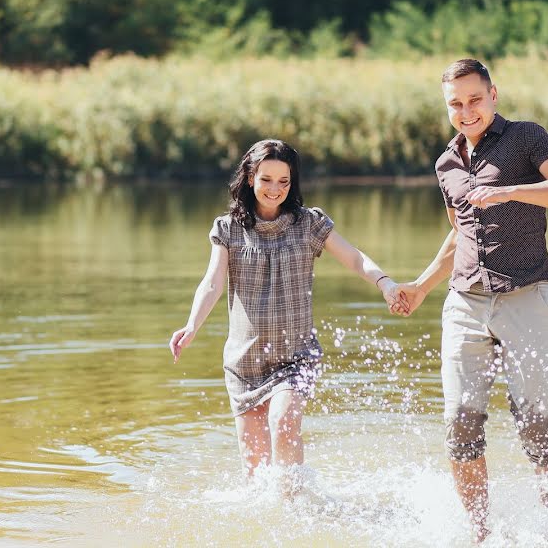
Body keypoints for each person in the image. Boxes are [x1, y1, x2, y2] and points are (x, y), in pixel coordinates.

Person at [396, 59, 548, 541]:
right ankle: (480, 535)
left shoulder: (527, 137)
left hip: (527, 294)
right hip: (464, 303)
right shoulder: (447, 163)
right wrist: (420, 285)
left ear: (493, 94)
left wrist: (510, 192)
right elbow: (460, 234)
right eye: (455, 104)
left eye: (474, 99)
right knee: (460, 422)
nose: (466, 111)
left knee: (535, 422)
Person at [169, 139, 407, 486]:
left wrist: (385, 283)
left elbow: (354, 257)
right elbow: (212, 284)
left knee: (283, 422)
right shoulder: (228, 228)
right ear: (250, 178)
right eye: (266, 179)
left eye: (284, 181)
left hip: (296, 356)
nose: (275, 189)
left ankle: (297, 507)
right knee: (255, 475)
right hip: (245, 363)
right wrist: (191, 326)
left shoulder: (308, 224)